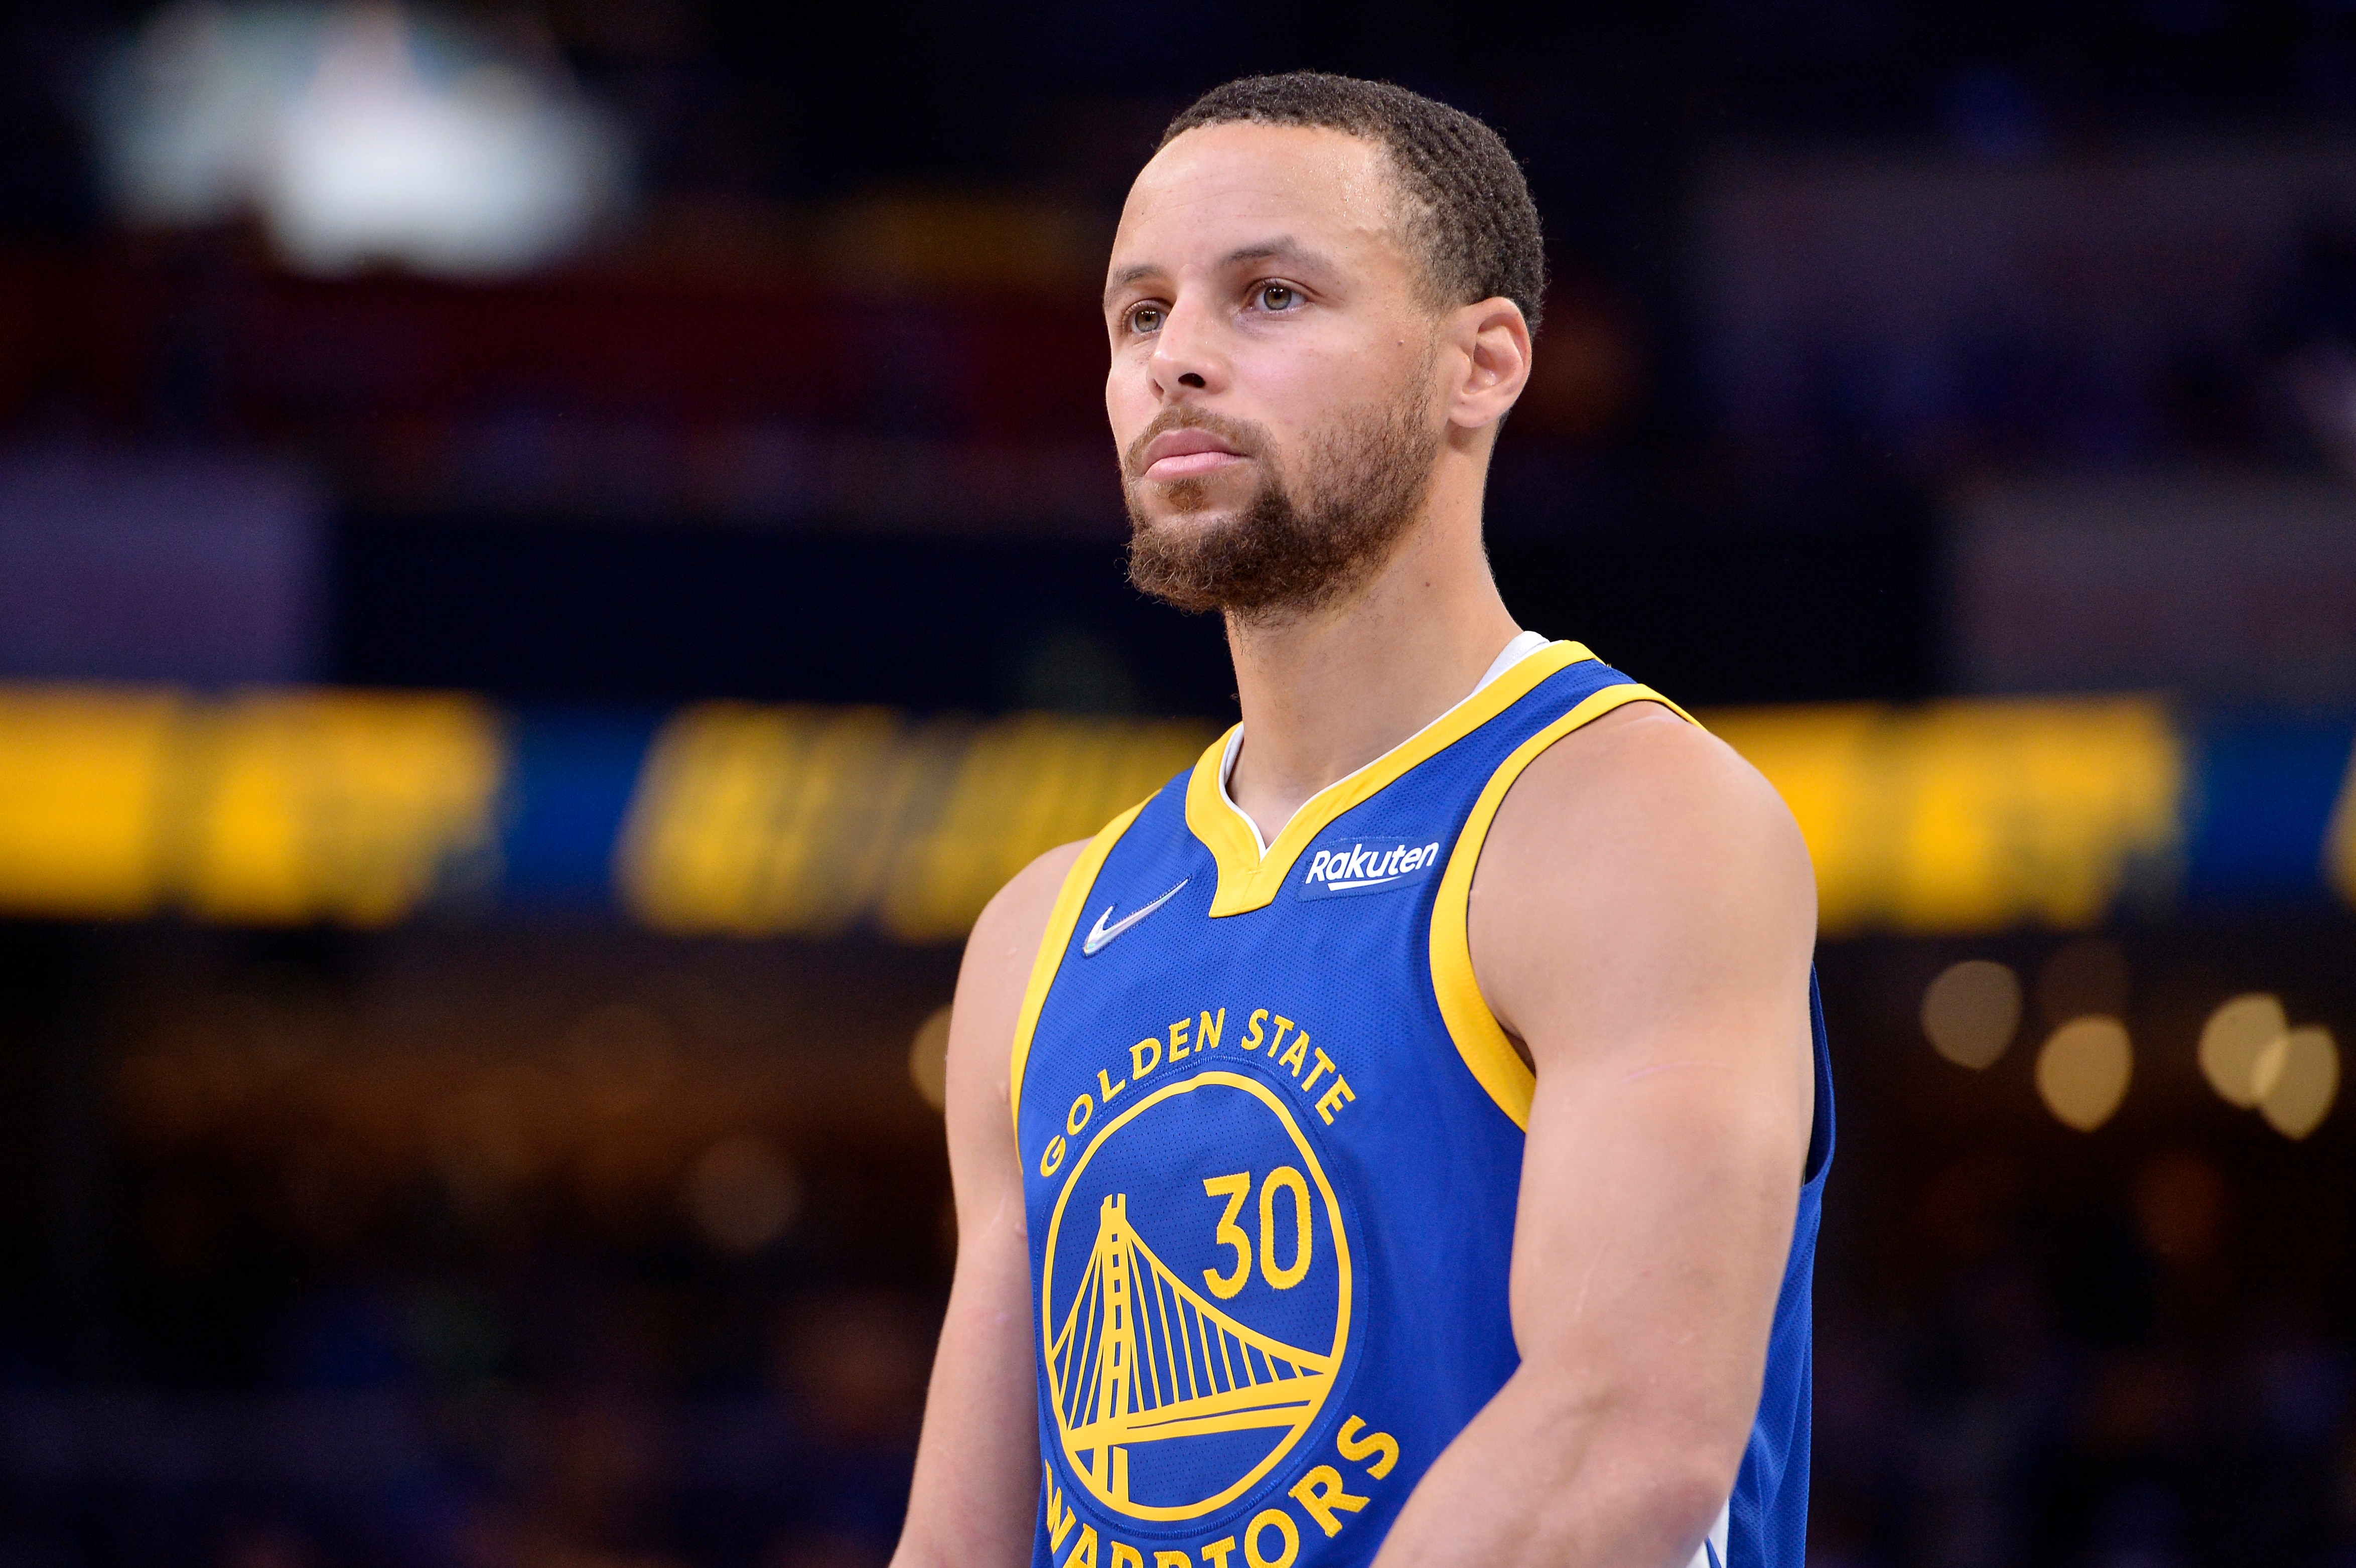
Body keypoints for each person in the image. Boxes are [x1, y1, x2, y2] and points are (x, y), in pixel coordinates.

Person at [893, 72, 1829, 1568]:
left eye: (1268, 296)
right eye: (1140, 316)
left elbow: (1622, 1437)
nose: (1177, 359)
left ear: (1486, 363)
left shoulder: (1628, 817)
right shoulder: (1041, 929)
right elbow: (959, 1553)